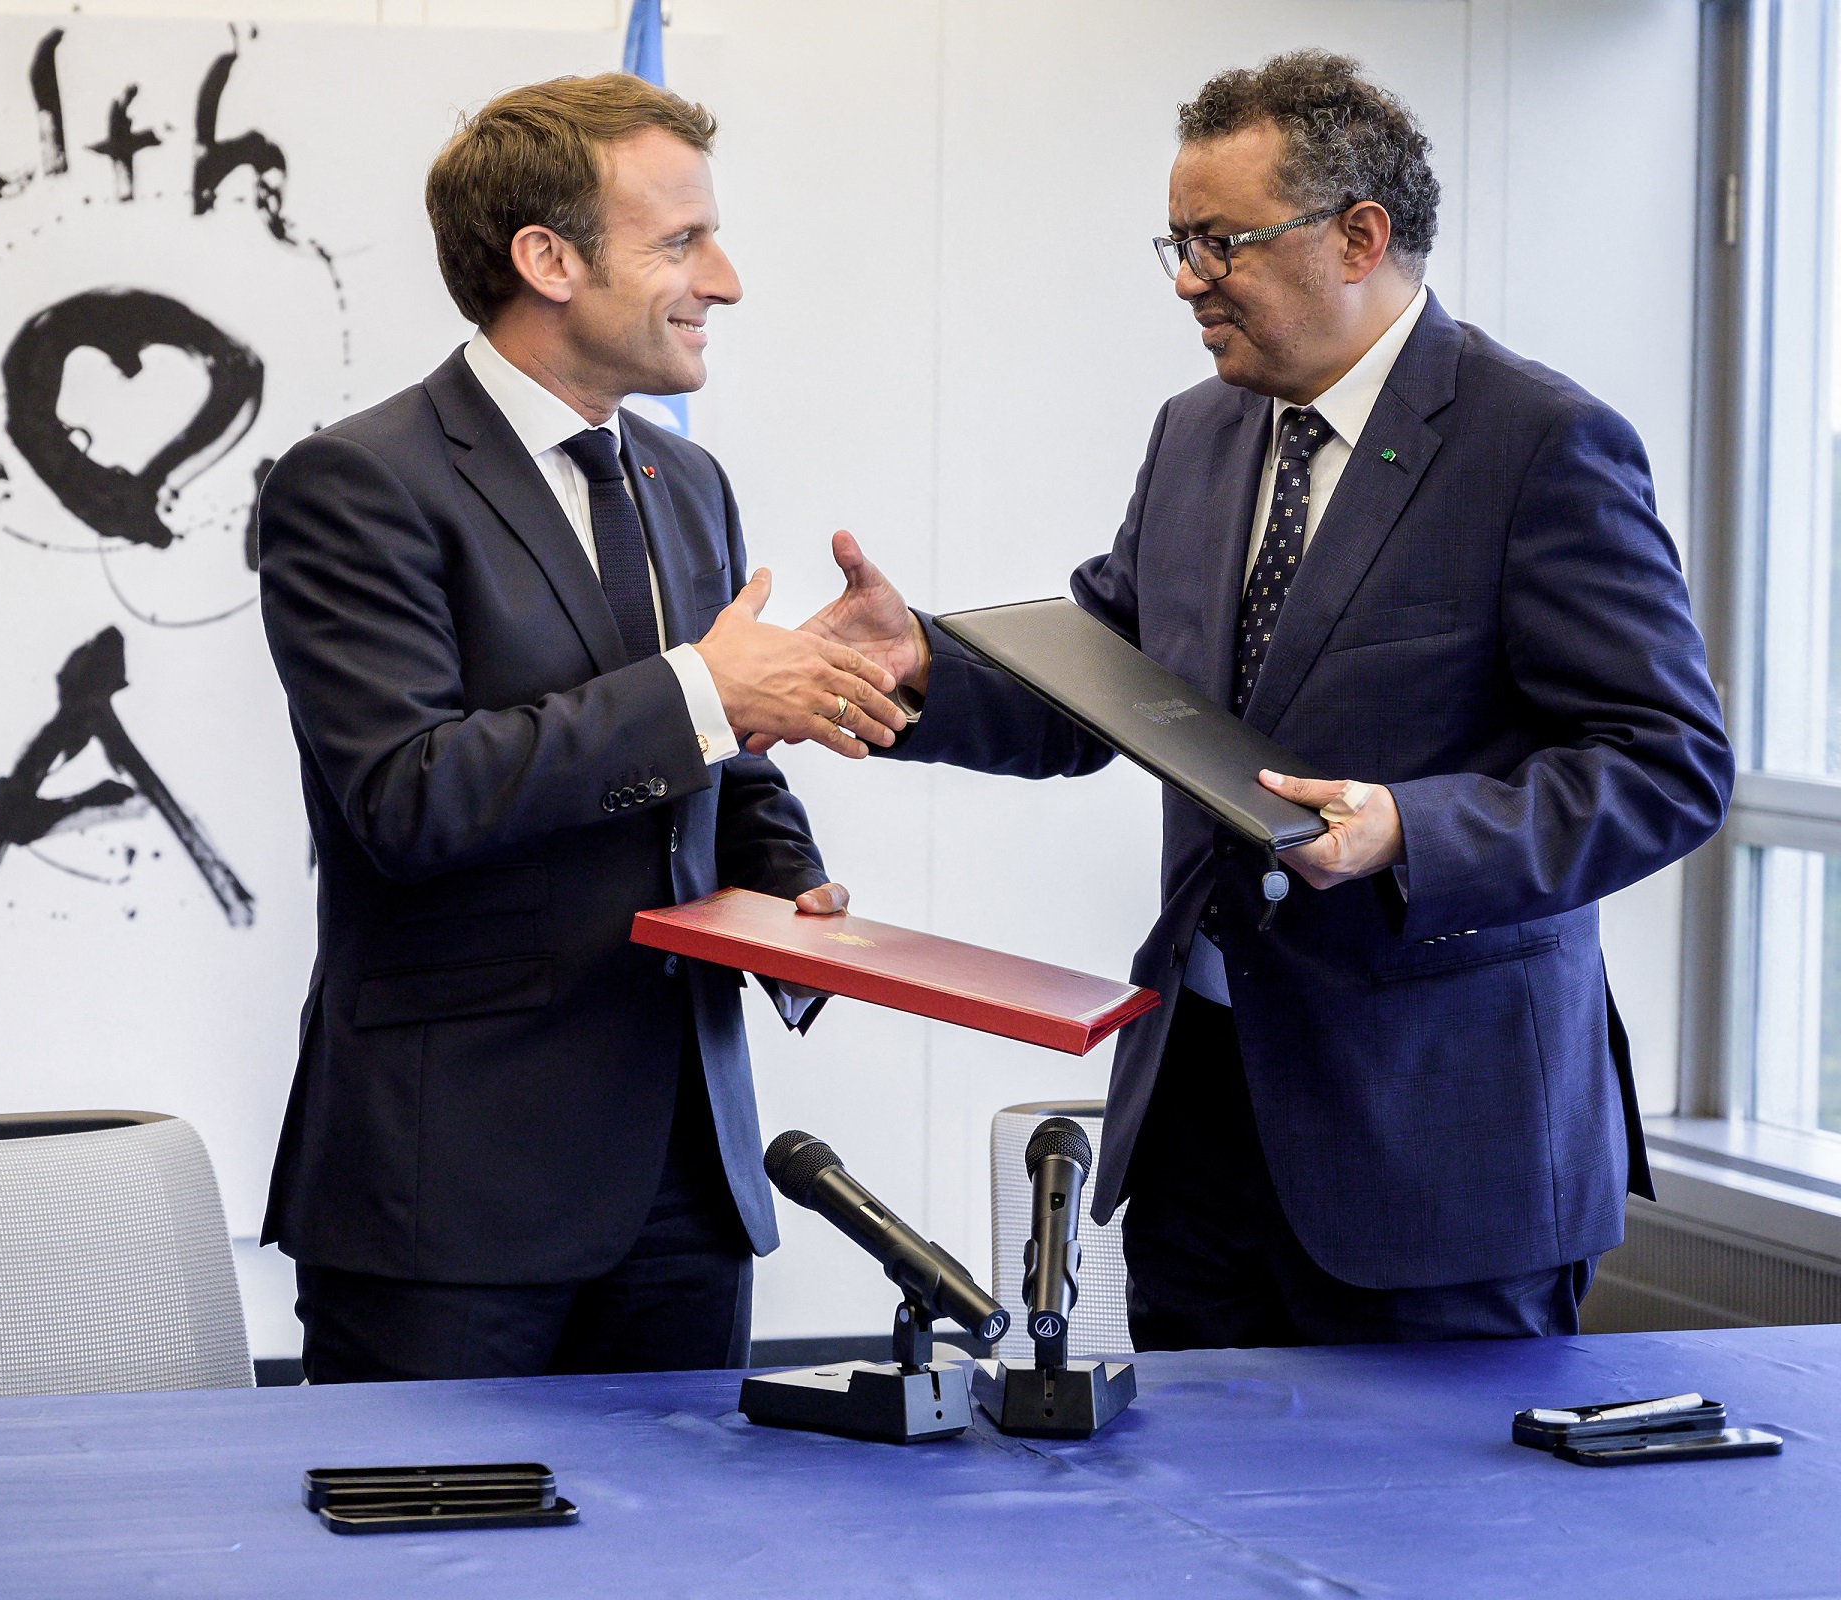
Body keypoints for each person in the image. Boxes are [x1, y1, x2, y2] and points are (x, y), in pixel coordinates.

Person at [786, 51, 1733, 1349]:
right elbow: (1109, 680)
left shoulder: (1540, 443)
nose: (1187, 279)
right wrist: (927, 668)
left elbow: (1668, 762)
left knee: (1424, 1548)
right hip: (1201, 1128)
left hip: (1439, 1152)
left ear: (1361, 236)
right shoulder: (1200, 431)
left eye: (1220, 242)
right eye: (1174, 243)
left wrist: (1412, 830)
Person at [256, 74, 906, 1382]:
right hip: (455, 1199)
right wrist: (710, 694)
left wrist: (789, 890)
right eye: (682, 242)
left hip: (689, 1182)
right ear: (546, 259)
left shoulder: (687, 484)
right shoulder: (357, 485)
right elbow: (407, 796)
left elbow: (714, 756)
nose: (723, 280)